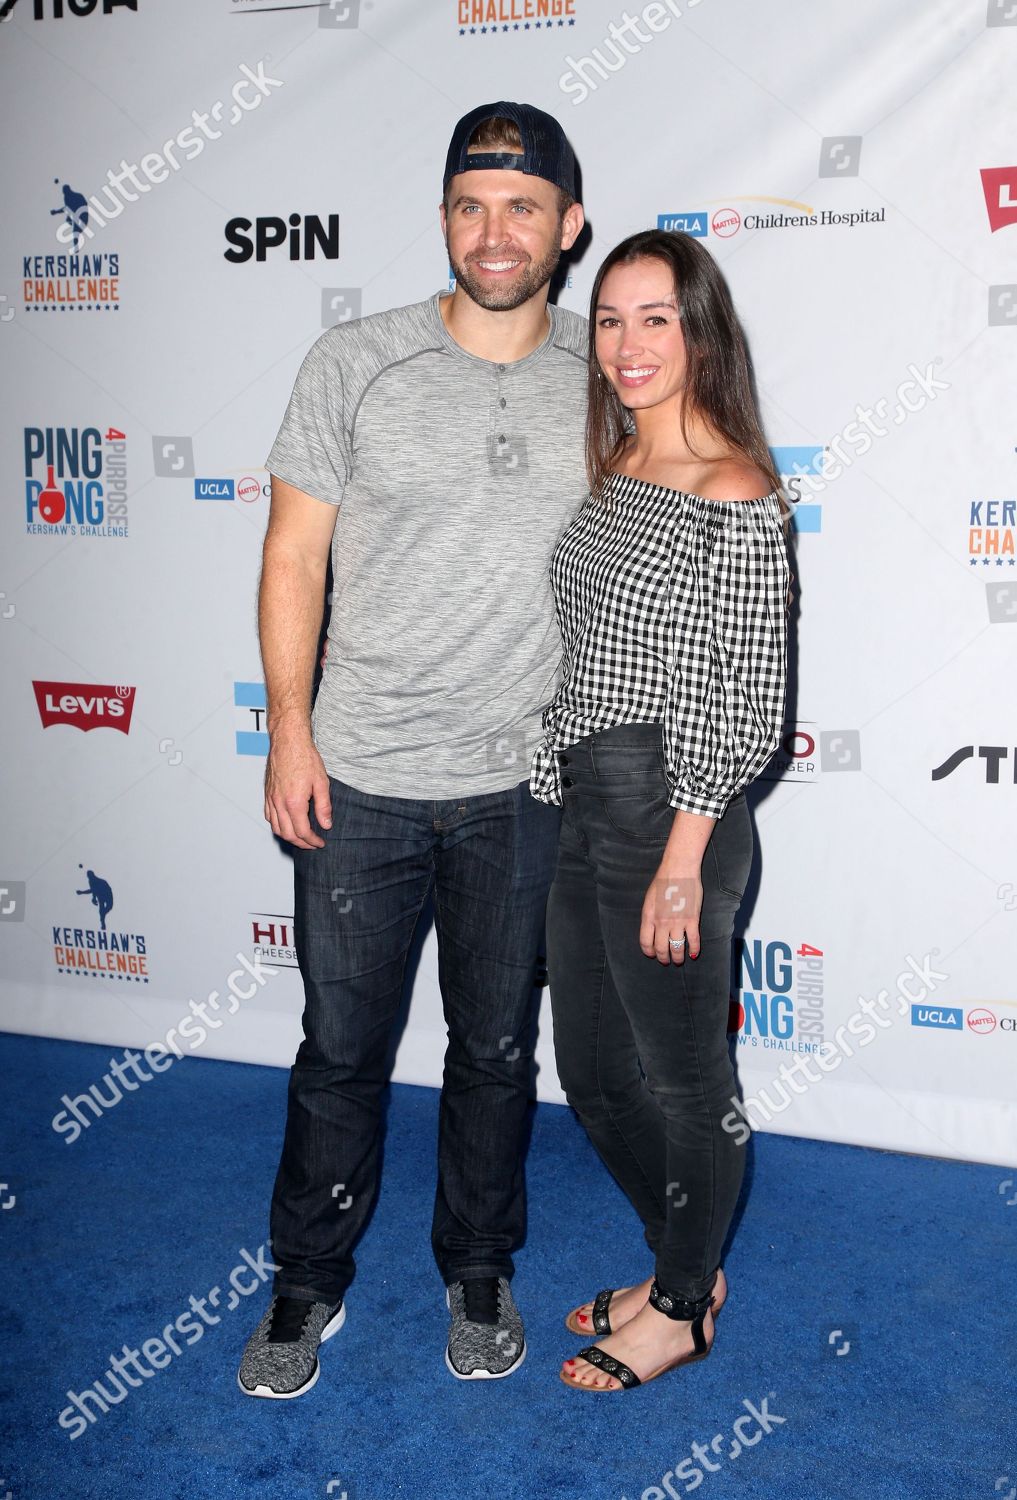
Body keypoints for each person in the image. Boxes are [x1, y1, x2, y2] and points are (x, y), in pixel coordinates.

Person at [237, 102, 588, 1398]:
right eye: (470, 205)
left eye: (522, 207)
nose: (494, 233)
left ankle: (478, 1268)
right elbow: (293, 554)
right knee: (341, 1051)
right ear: (443, 217)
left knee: (494, 1050)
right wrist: (289, 729)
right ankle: (306, 1280)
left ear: (569, 225)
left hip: (524, 784)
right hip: (364, 775)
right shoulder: (357, 361)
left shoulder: (610, 372)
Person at [529, 229, 791, 1392]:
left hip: (672, 809)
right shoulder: (622, 464)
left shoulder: (733, 487)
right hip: (590, 801)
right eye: (609, 319)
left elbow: (750, 699)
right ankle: (682, 1262)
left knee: (689, 1085)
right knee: (593, 1075)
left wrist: (684, 855)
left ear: (701, 333)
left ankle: (682, 1307)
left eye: (656, 319)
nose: (627, 344)